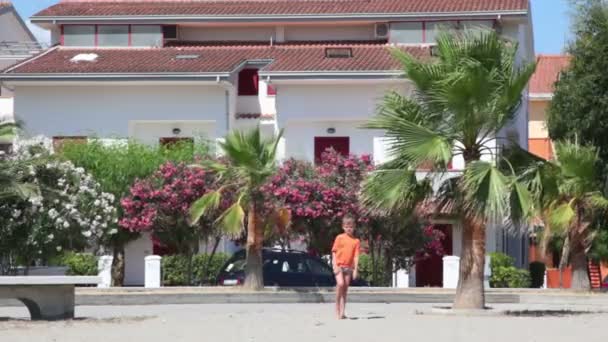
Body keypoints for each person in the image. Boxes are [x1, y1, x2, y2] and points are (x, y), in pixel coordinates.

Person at [331, 214, 360, 320]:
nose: (349, 228)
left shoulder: (356, 241)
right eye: (347, 226)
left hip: (348, 268)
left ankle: (343, 312)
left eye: (351, 227)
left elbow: (356, 256)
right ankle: (337, 309)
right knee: (340, 284)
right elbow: (334, 252)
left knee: (345, 290)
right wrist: (335, 265)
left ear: (354, 227)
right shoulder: (339, 237)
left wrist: (355, 270)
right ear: (343, 227)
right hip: (339, 266)